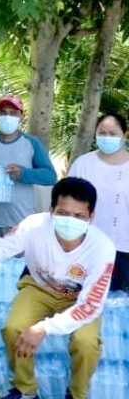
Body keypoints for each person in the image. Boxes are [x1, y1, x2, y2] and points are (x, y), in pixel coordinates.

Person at [0, 178, 114, 399]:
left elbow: (90, 305)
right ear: (51, 210)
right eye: (63, 213)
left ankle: (77, 396)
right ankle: (25, 390)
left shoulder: (102, 247)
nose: (70, 221)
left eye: (79, 216)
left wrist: (44, 328)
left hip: (79, 298)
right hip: (39, 288)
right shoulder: (34, 225)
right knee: (13, 327)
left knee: (87, 341)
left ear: (91, 217)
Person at [0, 94, 56, 235]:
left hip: (21, 223)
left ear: (21, 116)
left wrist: (24, 173)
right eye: (2, 113)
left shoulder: (32, 144)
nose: (7, 117)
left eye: (13, 113)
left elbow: (50, 176)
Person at [68, 113, 129, 291]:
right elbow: (67, 202)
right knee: (85, 299)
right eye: (102, 133)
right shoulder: (83, 164)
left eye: (112, 133)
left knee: (119, 305)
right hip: (87, 246)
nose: (106, 138)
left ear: (124, 135)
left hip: (124, 248)